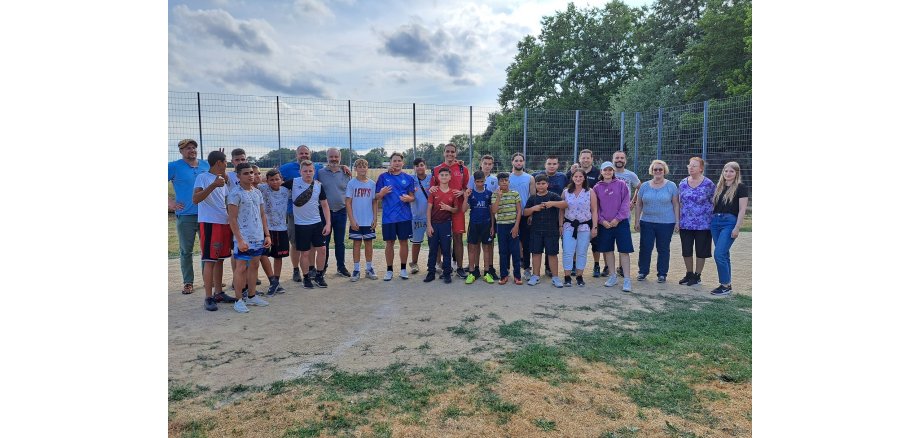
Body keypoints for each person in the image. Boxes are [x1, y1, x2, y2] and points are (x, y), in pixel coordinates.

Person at [192, 150, 235, 311]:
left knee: (220, 259)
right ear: (218, 163)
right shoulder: (203, 177)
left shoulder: (222, 180)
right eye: (225, 161)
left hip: (223, 222)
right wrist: (213, 185)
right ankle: (208, 297)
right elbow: (195, 199)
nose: (227, 164)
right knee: (209, 260)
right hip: (209, 223)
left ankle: (218, 292)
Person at [227, 163, 272, 313]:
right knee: (241, 268)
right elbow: (232, 219)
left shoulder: (257, 192)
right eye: (246, 173)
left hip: (258, 236)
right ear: (238, 176)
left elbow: (262, 215)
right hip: (244, 238)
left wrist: (267, 234)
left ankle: (251, 296)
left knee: (254, 266)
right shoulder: (235, 193)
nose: (250, 175)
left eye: (252, 172)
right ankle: (238, 300)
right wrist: (239, 239)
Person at [168, 138, 210, 295]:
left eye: (193, 147)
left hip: (206, 214)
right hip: (185, 216)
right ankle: (188, 282)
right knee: (186, 250)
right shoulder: (173, 166)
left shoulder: (205, 165)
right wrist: (170, 202)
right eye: (187, 148)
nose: (191, 150)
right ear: (181, 151)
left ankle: (208, 279)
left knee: (207, 249)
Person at [282, 160, 332, 288]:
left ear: (314, 172)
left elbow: (325, 205)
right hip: (300, 225)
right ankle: (306, 277)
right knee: (304, 253)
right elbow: (275, 186)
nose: (308, 173)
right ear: (300, 172)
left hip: (317, 223)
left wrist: (328, 223)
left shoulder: (318, 185)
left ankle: (319, 275)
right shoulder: (293, 183)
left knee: (322, 249)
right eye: (305, 171)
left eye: (310, 171)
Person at [279, 145, 324, 283]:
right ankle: (295, 270)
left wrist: (343, 167)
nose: (304, 155)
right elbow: (276, 180)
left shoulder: (316, 166)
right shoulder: (286, 168)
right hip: (293, 213)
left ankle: (311, 268)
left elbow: (332, 167)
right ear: (296, 154)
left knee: (311, 244)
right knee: (295, 244)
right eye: (301, 153)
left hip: (311, 213)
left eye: (306, 153)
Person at [634, 160, 680, 283]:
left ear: (664, 171)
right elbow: (639, 204)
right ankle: (643, 271)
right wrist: (637, 220)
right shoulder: (644, 186)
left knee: (663, 248)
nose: (658, 171)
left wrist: (677, 222)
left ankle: (662, 273)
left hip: (666, 223)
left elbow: (676, 204)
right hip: (647, 221)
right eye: (655, 169)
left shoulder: (671, 186)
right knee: (645, 247)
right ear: (652, 171)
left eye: (660, 169)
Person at [429, 143, 470, 278]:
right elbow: (432, 188)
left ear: (456, 153)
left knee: (458, 237)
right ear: (443, 153)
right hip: (440, 209)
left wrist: (462, 192)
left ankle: (459, 267)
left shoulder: (463, 169)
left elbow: (467, 188)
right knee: (440, 239)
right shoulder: (436, 169)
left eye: (453, 152)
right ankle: (441, 267)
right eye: (447, 151)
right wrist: (432, 189)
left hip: (456, 209)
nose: (450, 154)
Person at [592, 161, 633, 292]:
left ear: (613, 171)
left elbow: (626, 204)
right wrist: (602, 221)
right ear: (601, 172)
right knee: (608, 250)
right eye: (605, 170)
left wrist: (618, 219)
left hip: (621, 223)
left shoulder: (622, 184)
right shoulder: (597, 188)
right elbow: (595, 208)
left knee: (624, 251)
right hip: (605, 225)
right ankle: (613, 276)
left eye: (610, 170)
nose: (608, 172)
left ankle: (627, 279)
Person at [709, 162, 748, 296]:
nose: (728, 174)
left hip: (729, 222)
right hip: (715, 222)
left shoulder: (740, 187)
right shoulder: (719, 187)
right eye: (726, 171)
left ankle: (724, 285)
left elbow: (742, 209)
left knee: (719, 253)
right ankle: (728, 284)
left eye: (731, 171)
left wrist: (737, 227)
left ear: (736, 173)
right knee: (724, 254)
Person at [375, 152, 416, 281]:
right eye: (394, 160)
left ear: (403, 163)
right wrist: (381, 193)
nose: (397, 163)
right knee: (389, 243)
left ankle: (403, 269)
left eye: (399, 160)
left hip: (404, 217)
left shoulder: (408, 178)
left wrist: (409, 198)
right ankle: (389, 270)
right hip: (388, 217)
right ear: (390, 162)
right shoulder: (383, 177)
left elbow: (412, 197)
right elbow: (376, 197)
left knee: (404, 242)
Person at [677, 157, 716, 287]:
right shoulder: (682, 183)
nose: (691, 167)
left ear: (701, 168)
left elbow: (714, 201)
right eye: (690, 165)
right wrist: (678, 221)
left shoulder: (709, 184)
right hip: (686, 223)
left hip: (703, 225)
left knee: (701, 251)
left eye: (694, 165)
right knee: (686, 250)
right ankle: (689, 274)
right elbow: (679, 202)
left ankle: (697, 276)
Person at [424, 167, 466, 283]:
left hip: (446, 225)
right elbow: (428, 209)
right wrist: (429, 225)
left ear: (450, 177)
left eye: (446, 175)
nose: (444, 177)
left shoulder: (453, 193)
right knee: (433, 249)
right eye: (441, 175)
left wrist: (449, 208)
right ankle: (431, 272)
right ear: (438, 177)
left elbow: (456, 209)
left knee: (446, 249)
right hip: (434, 224)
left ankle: (447, 273)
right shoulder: (433, 192)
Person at [523, 174, 566, 288]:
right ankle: (535, 276)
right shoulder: (533, 198)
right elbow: (525, 212)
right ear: (535, 185)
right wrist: (533, 209)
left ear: (547, 184)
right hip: (536, 231)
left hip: (551, 231)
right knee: (536, 253)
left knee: (552, 254)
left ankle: (555, 277)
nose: (541, 186)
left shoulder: (553, 196)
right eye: (538, 184)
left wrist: (552, 203)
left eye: (543, 183)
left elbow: (565, 204)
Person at [567, 149, 604, 279]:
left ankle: (596, 264)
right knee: (576, 241)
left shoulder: (598, 173)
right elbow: (568, 189)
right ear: (579, 159)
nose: (585, 160)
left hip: (592, 214)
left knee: (596, 243)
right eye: (583, 158)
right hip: (576, 216)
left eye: (588, 158)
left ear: (592, 159)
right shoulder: (573, 172)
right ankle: (574, 264)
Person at [316, 147, 352, 278]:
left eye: (336, 157)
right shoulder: (320, 172)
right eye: (331, 157)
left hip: (341, 211)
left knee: (340, 241)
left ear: (340, 158)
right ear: (327, 158)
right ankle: (323, 267)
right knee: (324, 241)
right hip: (325, 213)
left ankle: (341, 267)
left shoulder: (346, 173)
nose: (334, 159)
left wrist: (344, 167)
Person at [532, 155, 568, 278]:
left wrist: (554, 204)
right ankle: (535, 272)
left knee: (551, 245)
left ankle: (550, 269)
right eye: (549, 164)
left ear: (558, 165)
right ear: (545, 165)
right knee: (537, 247)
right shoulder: (536, 176)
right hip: (539, 215)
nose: (551, 166)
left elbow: (566, 195)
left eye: (554, 164)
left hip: (556, 213)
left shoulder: (563, 177)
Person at [560, 169, 596, 287]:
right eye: (576, 176)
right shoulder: (566, 192)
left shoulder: (590, 192)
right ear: (572, 177)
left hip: (584, 226)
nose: (578, 178)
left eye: (581, 176)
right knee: (568, 252)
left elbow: (594, 210)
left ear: (584, 178)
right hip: (569, 226)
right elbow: (561, 210)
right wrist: (560, 225)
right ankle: (567, 276)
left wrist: (594, 227)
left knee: (581, 252)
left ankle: (580, 276)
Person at [257, 169, 290, 295]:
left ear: (281, 179)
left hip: (281, 228)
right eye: (271, 180)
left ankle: (276, 280)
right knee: (263, 254)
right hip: (266, 228)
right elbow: (254, 183)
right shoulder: (263, 189)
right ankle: (272, 280)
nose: (275, 182)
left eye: (277, 179)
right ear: (267, 180)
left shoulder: (286, 191)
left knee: (278, 256)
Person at [345, 159, 378, 281]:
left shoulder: (372, 184)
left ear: (367, 168)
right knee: (357, 244)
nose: (363, 169)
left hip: (368, 220)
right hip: (357, 220)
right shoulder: (352, 183)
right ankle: (356, 269)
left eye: (365, 166)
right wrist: (352, 220)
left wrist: (375, 218)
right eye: (360, 166)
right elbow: (348, 202)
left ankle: (369, 268)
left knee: (369, 244)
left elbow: (375, 201)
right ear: (355, 169)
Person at [610, 150, 641, 279]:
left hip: (623, 213)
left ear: (625, 160)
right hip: (608, 212)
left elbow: (640, 187)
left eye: (622, 158)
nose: (619, 160)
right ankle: (608, 266)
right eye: (617, 157)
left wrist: (633, 201)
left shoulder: (630, 175)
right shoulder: (608, 172)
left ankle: (622, 268)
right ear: (613, 159)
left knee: (622, 241)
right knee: (608, 240)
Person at [463, 171, 495, 284]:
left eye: (482, 181)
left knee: (486, 248)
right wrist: (466, 197)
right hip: (474, 224)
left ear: (485, 181)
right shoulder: (470, 194)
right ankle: (472, 272)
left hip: (486, 224)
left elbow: (492, 211)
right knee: (472, 248)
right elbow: (463, 210)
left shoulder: (489, 193)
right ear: (474, 181)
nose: (480, 184)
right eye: (477, 182)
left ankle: (486, 272)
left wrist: (492, 226)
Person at [491, 172, 523, 285]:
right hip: (501, 226)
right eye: (501, 181)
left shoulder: (515, 193)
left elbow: (519, 210)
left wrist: (516, 226)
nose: (504, 182)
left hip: (513, 225)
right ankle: (504, 275)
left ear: (509, 181)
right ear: (498, 182)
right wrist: (499, 197)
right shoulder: (495, 195)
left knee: (515, 251)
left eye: (506, 180)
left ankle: (517, 276)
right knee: (503, 252)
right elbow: (494, 211)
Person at [508, 153, 535, 279]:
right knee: (512, 242)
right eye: (516, 161)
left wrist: (531, 214)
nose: (518, 163)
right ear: (512, 162)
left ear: (523, 162)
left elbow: (533, 197)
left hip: (525, 214)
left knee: (526, 242)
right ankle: (512, 267)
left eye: (520, 161)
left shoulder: (529, 178)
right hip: (510, 215)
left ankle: (527, 268)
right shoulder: (507, 178)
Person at [408, 158, 431, 275]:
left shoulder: (432, 178)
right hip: (417, 215)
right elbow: (398, 176)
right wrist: (390, 169)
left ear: (425, 166)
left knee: (434, 241)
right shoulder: (411, 179)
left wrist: (460, 164)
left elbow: (446, 172)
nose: (419, 167)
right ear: (414, 168)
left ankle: (436, 263)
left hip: (431, 216)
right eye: (416, 165)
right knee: (416, 242)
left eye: (421, 165)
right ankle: (414, 263)